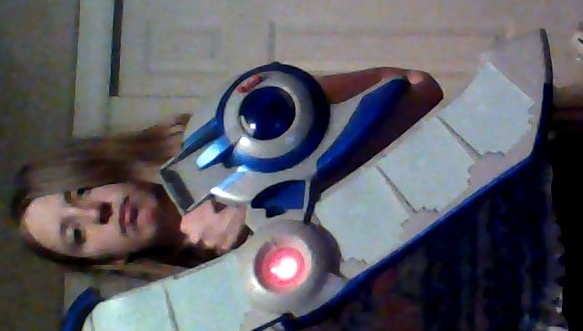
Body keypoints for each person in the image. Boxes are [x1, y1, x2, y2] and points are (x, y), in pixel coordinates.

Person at [11, 66, 443, 279]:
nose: (96, 213)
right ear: (110, 261)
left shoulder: (223, 128)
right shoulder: (230, 290)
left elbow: (415, 85)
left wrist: (253, 188)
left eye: (82, 191)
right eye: (77, 234)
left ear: (100, 168)